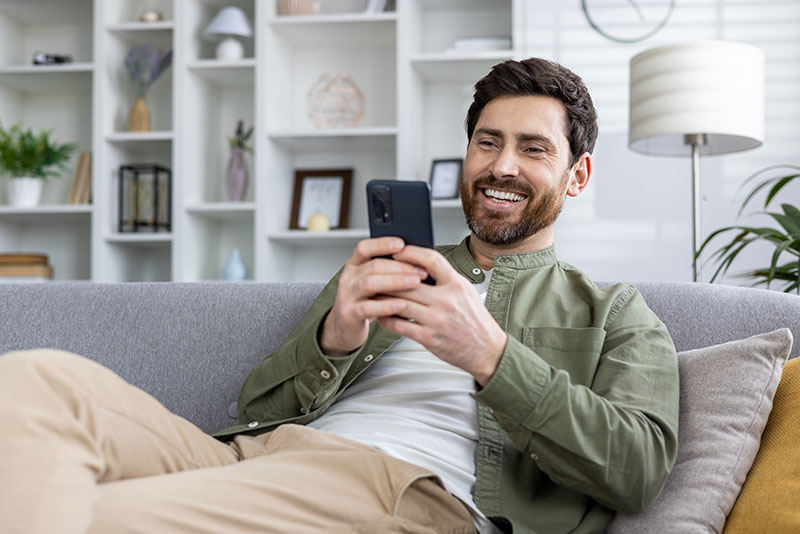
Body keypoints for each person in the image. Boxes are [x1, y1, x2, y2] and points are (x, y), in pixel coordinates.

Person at [0, 58, 679, 534]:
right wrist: (337, 336)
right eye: (487, 142)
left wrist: (492, 356)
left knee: (104, 518)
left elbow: (637, 467)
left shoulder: (613, 312)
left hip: (408, 493)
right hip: (262, 455)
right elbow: (255, 407)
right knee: (32, 381)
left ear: (578, 175)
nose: (502, 165)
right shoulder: (387, 265)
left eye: (533, 149)